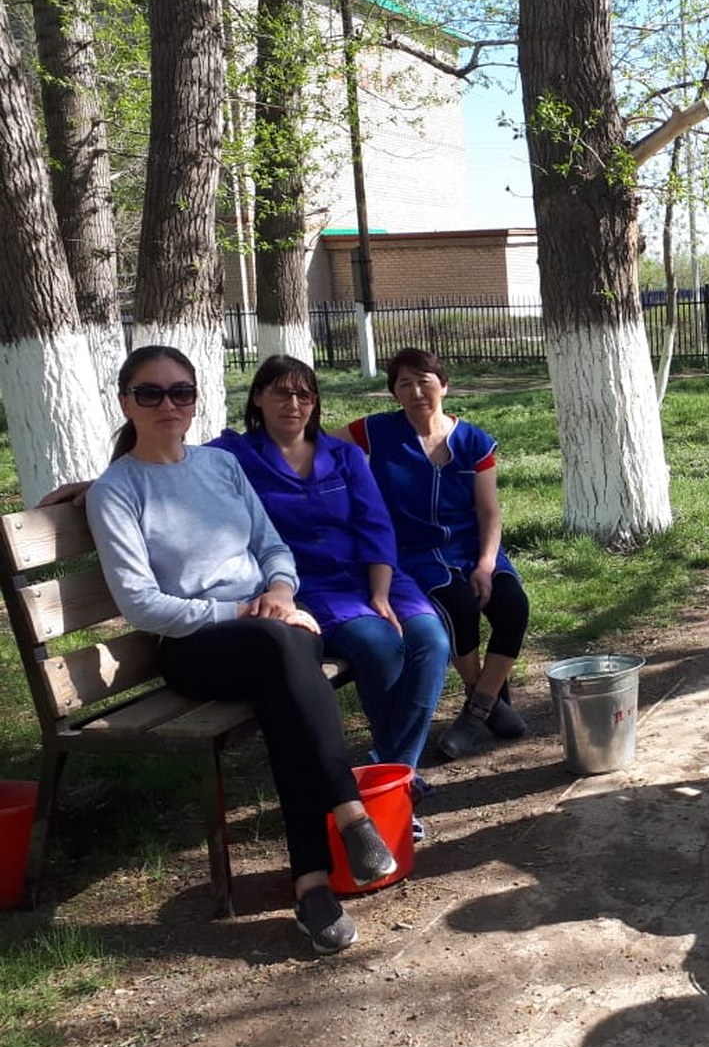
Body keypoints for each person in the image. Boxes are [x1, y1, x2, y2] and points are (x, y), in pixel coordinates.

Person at [85, 345, 397, 955]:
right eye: (150, 393)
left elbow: (272, 547)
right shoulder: (116, 491)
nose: (168, 404)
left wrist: (279, 592)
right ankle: (350, 813)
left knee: (286, 696)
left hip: (268, 633)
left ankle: (312, 886)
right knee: (285, 649)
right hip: (193, 647)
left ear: (195, 400)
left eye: (181, 392)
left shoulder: (220, 467)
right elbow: (142, 605)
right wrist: (245, 612)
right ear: (126, 403)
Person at [210, 356, 450, 819]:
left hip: (376, 573)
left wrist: (380, 593)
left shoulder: (342, 455)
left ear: (315, 402)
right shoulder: (233, 456)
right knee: (380, 645)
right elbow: (167, 462)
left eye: (304, 394)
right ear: (257, 398)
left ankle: (392, 773)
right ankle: (397, 789)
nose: (293, 403)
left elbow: (375, 524)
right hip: (308, 585)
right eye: (281, 392)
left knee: (431, 641)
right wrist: (97, 483)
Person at [340, 348, 530, 761]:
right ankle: (485, 704)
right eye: (404, 384)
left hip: (473, 548)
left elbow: (489, 512)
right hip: (415, 553)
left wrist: (485, 564)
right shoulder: (375, 431)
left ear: (443, 386)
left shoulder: (474, 442)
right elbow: (314, 445)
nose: (415, 392)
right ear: (394, 393)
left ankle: (477, 708)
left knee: (512, 606)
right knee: (458, 606)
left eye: (424, 381)